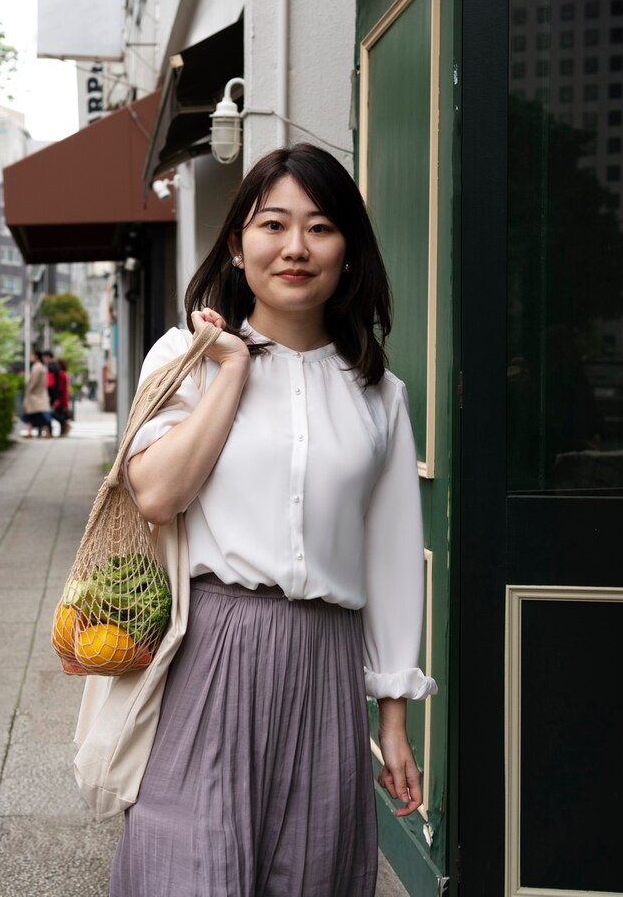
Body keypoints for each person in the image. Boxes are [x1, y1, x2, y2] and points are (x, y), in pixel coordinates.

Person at [111, 143, 436, 896]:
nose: (295, 248)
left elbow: (390, 560)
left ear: (348, 250)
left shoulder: (379, 395)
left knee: (309, 874)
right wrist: (230, 369)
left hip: (326, 661)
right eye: (274, 225)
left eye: (321, 228)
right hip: (211, 651)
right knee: (189, 871)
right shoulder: (183, 357)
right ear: (237, 243)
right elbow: (155, 493)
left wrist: (392, 719)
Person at [21, 349, 54, 438]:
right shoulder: (42, 367)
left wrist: (28, 390)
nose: (31, 357)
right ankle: (30, 431)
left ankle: (44, 431)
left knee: (38, 414)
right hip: (40, 393)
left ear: (36, 356)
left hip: (35, 395)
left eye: (32, 356)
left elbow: (33, 382)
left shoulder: (36, 367)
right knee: (32, 415)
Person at [53, 358, 73, 437]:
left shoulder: (61, 374)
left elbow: (60, 387)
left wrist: (57, 399)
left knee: (57, 414)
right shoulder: (65, 373)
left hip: (61, 397)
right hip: (64, 397)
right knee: (61, 414)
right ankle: (62, 431)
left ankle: (65, 425)